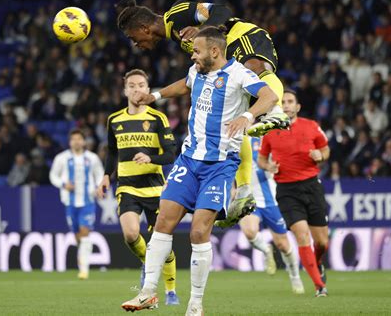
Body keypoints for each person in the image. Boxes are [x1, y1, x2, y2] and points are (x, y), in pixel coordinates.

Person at [121, 27, 278, 315]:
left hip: (219, 165)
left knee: (198, 231)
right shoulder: (197, 71)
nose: (192, 55)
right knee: (164, 222)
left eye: (196, 51)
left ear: (214, 51)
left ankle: (195, 304)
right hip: (188, 160)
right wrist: (154, 96)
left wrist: (247, 114)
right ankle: (147, 293)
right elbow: (185, 83)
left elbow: (269, 96)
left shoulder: (240, 75)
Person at [114, 0, 290, 226]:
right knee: (232, 119)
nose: (136, 44)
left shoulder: (177, 14)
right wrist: (154, 96)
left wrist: (203, 31)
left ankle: (277, 111)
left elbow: (222, 11)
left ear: (144, 28)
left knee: (255, 70)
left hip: (242, 36)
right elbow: (188, 82)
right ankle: (244, 190)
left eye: (134, 38)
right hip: (226, 54)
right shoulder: (180, 40)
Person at [96, 69, 179, 305]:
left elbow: (171, 154)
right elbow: (112, 151)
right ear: (125, 90)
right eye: (131, 85)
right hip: (127, 187)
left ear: (147, 88)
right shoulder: (114, 119)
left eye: (141, 85)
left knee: (161, 244)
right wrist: (105, 176)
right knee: (131, 233)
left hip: (155, 189)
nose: (136, 89)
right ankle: (147, 263)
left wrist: (150, 158)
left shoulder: (157, 118)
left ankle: (171, 290)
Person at [258, 90, 330, 297]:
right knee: (301, 234)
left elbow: (325, 149)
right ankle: (319, 286)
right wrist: (268, 166)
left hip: (311, 186)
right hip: (287, 190)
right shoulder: (270, 131)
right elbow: (262, 159)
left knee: (322, 242)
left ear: (297, 107)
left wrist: (320, 155)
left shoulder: (311, 126)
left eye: (290, 102)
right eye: (283, 102)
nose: (287, 105)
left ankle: (317, 262)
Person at [239, 136, 304, 294]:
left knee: (283, 245)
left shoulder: (265, 138)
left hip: (271, 199)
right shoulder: (234, 139)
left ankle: (295, 276)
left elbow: (283, 160)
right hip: (249, 198)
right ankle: (266, 250)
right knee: (249, 231)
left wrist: (273, 166)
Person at [49, 129, 104, 279]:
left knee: (85, 232)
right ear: (70, 142)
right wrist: (63, 184)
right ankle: (83, 255)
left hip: (88, 201)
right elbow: (53, 175)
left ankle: (84, 270)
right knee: (77, 235)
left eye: (79, 139)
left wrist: (98, 187)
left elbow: (99, 173)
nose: (76, 141)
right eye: (73, 139)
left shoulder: (92, 158)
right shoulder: (62, 158)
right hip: (70, 201)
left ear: (84, 141)